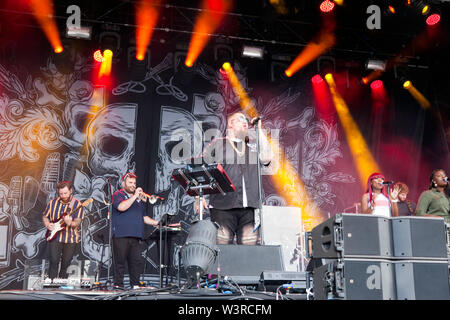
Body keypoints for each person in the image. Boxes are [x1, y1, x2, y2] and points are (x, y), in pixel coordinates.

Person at [195, 111, 273, 245]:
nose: (245, 122)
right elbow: (201, 170)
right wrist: (199, 196)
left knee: (249, 253)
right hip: (222, 206)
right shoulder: (217, 144)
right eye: (240, 119)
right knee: (222, 250)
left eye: (246, 121)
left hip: (250, 208)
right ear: (230, 125)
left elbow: (266, 158)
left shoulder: (253, 146)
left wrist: (258, 130)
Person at [111, 172, 159, 288]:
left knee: (136, 263)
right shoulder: (118, 194)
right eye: (130, 183)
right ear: (124, 184)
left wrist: (158, 223)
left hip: (136, 236)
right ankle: (118, 286)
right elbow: (121, 207)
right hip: (121, 235)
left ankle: (135, 286)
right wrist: (135, 196)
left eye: (134, 183)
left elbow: (144, 218)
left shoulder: (138, 200)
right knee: (120, 263)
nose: (133, 185)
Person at [42, 181, 85, 280]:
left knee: (66, 263)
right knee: (54, 261)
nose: (63, 195)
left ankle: (62, 285)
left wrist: (70, 223)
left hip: (71, 238)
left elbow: (77, 223)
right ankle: (51, 286)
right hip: (55, 237)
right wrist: (48, 224)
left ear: (71, 191)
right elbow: (45, 217)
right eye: (61, 193)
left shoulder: (77, 204)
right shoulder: (53, 203)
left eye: (65, 193)